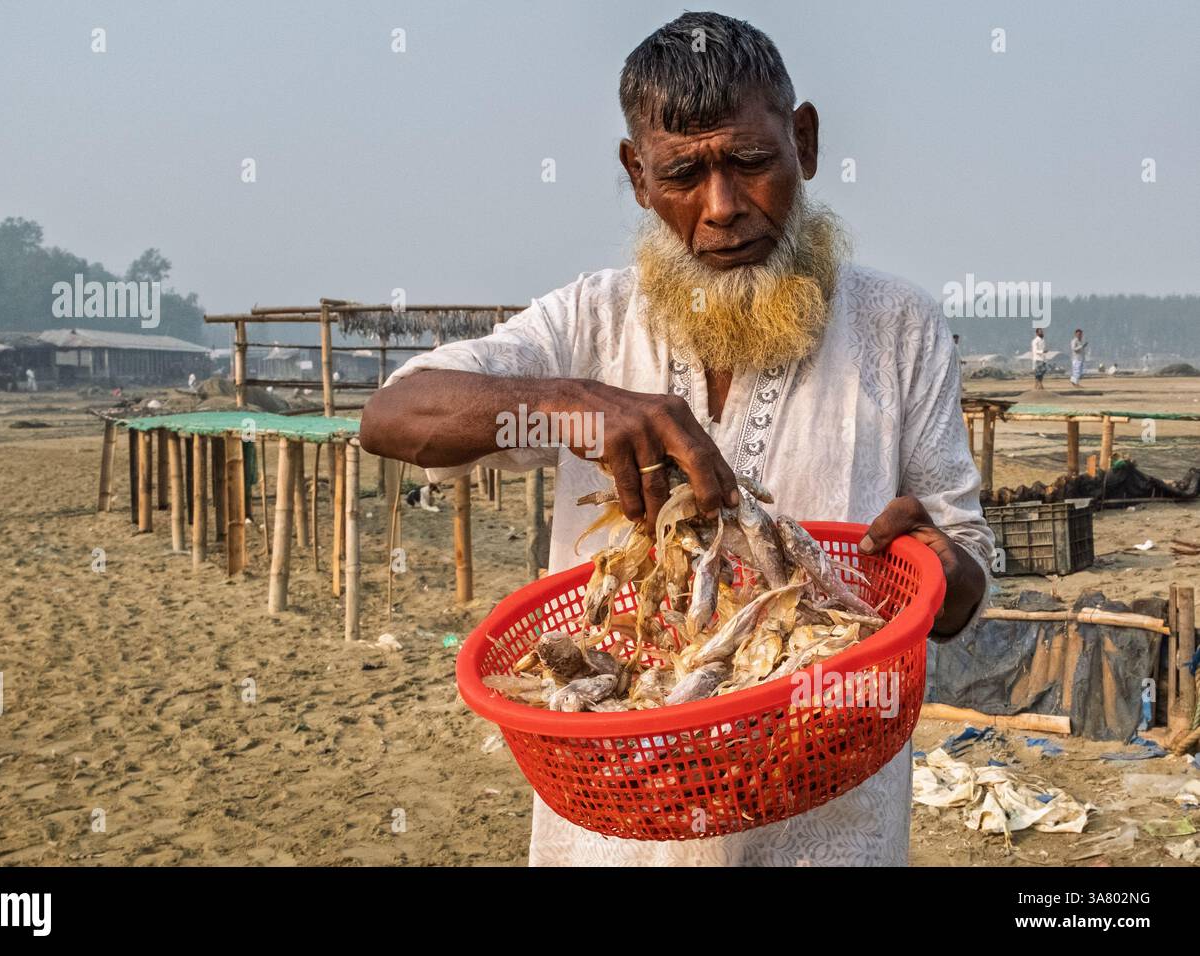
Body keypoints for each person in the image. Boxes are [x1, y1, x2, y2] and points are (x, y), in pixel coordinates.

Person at [361, 11, 990, 867]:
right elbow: (393, 417)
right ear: (637, 176)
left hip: (826, 818)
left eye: (752, 162)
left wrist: (939, 572)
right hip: (619, 824)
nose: (723, 207)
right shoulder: (590, 321)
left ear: (804, 143)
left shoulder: (897, 327)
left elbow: (963, 577)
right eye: (683, 175)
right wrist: (573, 403)